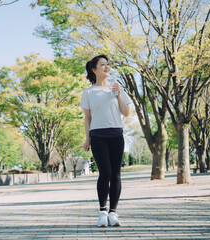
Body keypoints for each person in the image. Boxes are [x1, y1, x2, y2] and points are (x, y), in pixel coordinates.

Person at [80, 54, 132, 227]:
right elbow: (87, 118)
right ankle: (102, 212)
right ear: (94, 70)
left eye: (108, 64)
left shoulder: (117, 88)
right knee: (105, 173)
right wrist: (87, 139)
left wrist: (117, 95)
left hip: (116, 134)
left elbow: (126, 113)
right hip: (98, 136)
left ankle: (113, 213)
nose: (107, 67)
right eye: (103, 65)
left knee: (116, 174)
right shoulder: (88, 92)